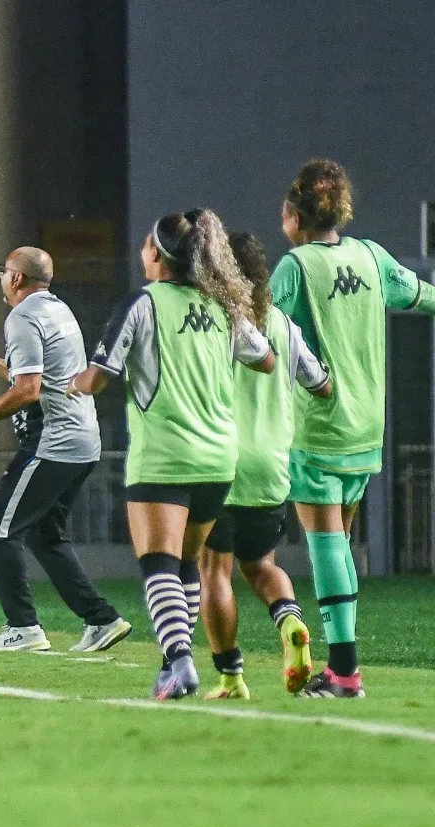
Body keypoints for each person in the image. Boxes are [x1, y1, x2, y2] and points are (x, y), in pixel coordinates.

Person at [68, 208, 274, 700]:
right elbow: (265, 359)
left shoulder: (142, 302)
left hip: (164, 455)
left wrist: (71, 382)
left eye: (145, 244)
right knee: (184, 563)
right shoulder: (223, 305)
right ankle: (174, 662)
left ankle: (181, 662)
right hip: (220, 459)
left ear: (157, 254)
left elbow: (96, 378)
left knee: (158, 563)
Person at [270, 159, 435, 698]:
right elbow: (422, 295)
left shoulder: (295, 268)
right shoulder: (372, 256)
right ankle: (341, 665)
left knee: (326, 548)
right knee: (339, 544)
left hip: (318, 425)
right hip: (367, 427)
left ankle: (344, 671)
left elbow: (260, 337)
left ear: (295, 215)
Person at [0, 247, 130, 654]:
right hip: (82, 440)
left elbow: (28, 390)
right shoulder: (59, 310)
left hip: (53, 441)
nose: (0, 278)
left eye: (3, 271)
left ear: (17, 279)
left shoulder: (22, 316)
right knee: (46, 535)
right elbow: (40, 376)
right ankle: (101, 619)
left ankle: (22, 627)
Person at [198, 232, 331, 699]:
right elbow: (322, 386)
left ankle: (232, 677)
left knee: (214, 569)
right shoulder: (284, 326)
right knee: (261, 564)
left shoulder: (214, 322)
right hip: (272, 469)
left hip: (221, 465)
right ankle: (292, 623)